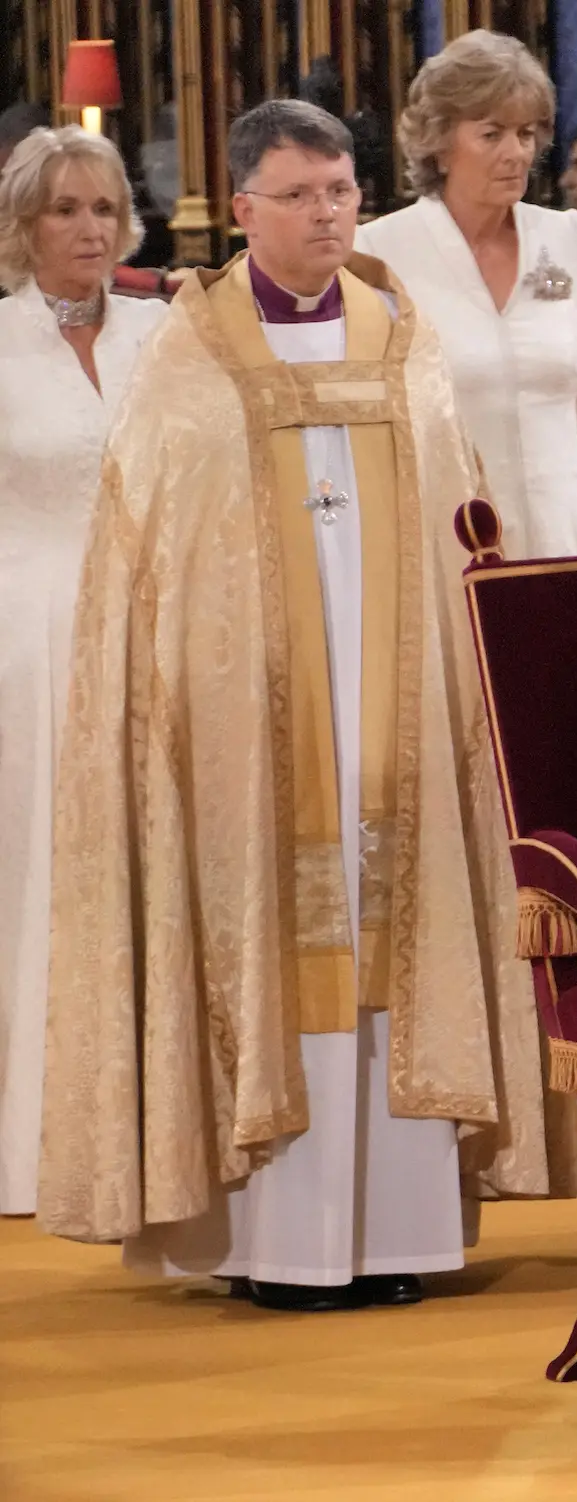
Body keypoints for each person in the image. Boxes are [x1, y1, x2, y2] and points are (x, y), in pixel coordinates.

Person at [38, 100, 577, 1311]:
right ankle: (277, 1240)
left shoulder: (403, 337)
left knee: (395, 923)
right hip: (248, 721)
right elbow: (155, 552)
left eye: (340, 191)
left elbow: (458, 514)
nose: (329, 213)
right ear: (242, 210)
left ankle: (397, 1236)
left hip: (396, 705)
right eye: (299, 195)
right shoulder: (194, 354)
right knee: (276, 930)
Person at [0, 127, 170, 1218]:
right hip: (26, 635)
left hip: (156, 634)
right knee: (34, 870)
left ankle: (151, 1134)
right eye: (65, 208)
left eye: (104, 207)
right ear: (23, 228)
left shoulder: (170, 334)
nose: (89, 228)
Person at [357, 30, 577, 557]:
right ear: (439, 143)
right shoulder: (378, 254)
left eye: (526, 134)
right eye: (492, 135)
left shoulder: (567, 238)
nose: (516, 154)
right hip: (450, 551)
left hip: (571, 547)